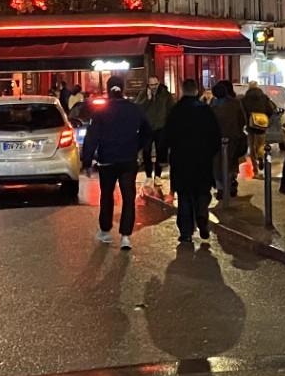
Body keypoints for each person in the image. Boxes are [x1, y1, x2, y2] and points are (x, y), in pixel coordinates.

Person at [80, 77, 153, 249]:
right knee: (128, 197)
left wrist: (87, 161)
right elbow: (148, 132)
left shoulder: (101, 111)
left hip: (107, 160)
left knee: (107, 195)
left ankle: (105, 231)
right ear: (124, 89)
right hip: (128, 159)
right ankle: (126, 235)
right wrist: (138, 147)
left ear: (108, 89)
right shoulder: (135, 109)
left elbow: (92, 138)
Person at [163, 80, 223, 246]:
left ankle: (186, 232)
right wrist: (210, 153)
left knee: (184, 196)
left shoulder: (175, 111)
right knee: (202, 191)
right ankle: (202, 214)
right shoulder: (205, 111)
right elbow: (215, 136)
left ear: (182, 91)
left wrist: (166, 155)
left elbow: (166, 136)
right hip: (202, 159)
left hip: (181, 160)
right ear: (197, 90)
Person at [209, 81, 247, 197]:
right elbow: (243, 120)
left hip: (216, 139)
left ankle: (221, 189)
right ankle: (231, 184)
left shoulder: (212, 106)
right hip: (233, 138)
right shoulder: (235, 103)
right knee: (231, 162)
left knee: (217, 164)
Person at [241, 80, 276, 178]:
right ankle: (261, 157)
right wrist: (265, 117)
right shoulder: (264, 97)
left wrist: (246, 121)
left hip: (251, 125)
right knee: (260, 145)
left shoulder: (245, 99)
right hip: (261, 124)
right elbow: (271, 109)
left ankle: (255, 170)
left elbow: (242, 111)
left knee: (252, 147)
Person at [141, 79, 174, 179]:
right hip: (147, 128)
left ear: (158, 83)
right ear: (148, 85)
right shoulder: (143, 94)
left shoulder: (165, 95)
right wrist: (148, 99)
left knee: (160, 152)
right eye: (151, 85)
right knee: (146, 152)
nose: (153, 87)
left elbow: (170, 109)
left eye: (155, 84)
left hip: (161, 127)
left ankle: (157, 176)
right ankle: (148, 175)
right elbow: (138, 107)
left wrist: (168, 125)